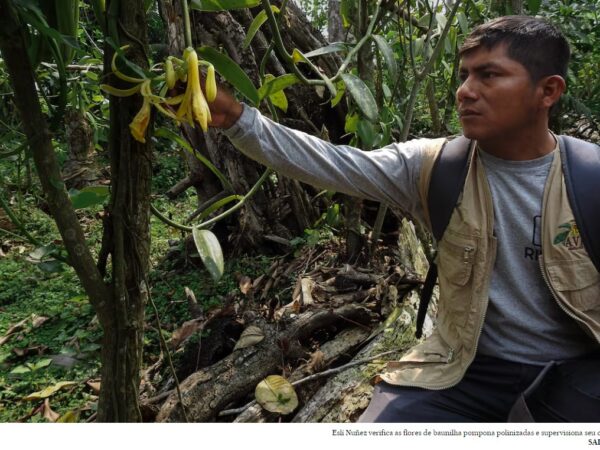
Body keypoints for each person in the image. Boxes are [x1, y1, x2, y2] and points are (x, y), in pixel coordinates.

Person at [206, 15, 600, 422]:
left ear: (548, 91)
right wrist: (236, 118)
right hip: (461, 370)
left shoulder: (590, 178)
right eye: (464, 75)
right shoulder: (434, 166)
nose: (465, 92)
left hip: (575, 373)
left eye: (489, 75)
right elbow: (332, 163)